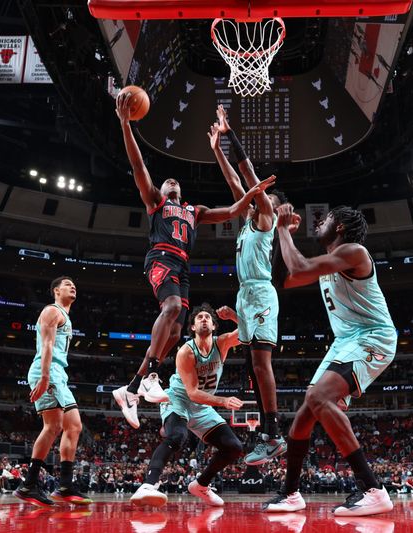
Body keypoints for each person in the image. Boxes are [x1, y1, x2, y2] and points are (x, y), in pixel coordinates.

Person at [111, 93, 277, 429]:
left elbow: (232, 209)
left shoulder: (194, 211)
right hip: (161, 258)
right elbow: (138, 166)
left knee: (174, 331)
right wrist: (126, 125)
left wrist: (252, 192)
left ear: (182, 191)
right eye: (166, 180)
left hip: (183, 267)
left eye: (175, 181)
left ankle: (130, 388)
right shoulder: (156, 201)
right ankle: (151, 375)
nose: (170, 181)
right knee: (171, 308)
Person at [262, 204, 398, 516]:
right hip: (345, 342)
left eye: (327, 219)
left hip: (372, 336)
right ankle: (291, 493)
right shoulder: (332, 262)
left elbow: (297, 267)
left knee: (318, 396)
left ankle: (372, 489)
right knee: (305, 414)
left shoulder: (354, 252)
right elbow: (284, 279)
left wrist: (282, 229)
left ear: (340, 227)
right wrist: (276, 233)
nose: (320, 222)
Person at [207, 105, 288, 465]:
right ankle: (270, 433)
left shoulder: (266, 217)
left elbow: (247, 176)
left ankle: (272, 433)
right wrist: (215, 150)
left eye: (263, 196)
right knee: (255, 365)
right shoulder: (247, 221)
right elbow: (234, 183)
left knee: (260, 363)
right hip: (245, 295)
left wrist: (230, 134)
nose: (258, 198)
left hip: (259, 291)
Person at [130, 304, 245, 508]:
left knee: (234, 447)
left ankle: (201, 485)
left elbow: (249, 332)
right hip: (178, 399)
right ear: (192, 327)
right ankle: (147, 485)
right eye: (199, 317)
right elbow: (192, 392)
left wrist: (234, 316)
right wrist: (223, 401)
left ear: (214, 325)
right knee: (177, 436)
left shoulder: (223, 343)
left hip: (202, 407)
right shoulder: (186, 351)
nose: (203, 319)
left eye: (207, 317)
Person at [14, 276, 91, 508]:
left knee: (73, 426)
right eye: (67, 284)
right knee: (53, 426)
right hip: (47, 372)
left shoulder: (65, 316)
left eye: (74, 283)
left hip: (58, 374)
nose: (72, 285)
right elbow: (46, 345)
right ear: (56, 290)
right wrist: (46, 378)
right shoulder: (51, 310)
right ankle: (29, 485)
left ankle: (64, 485)